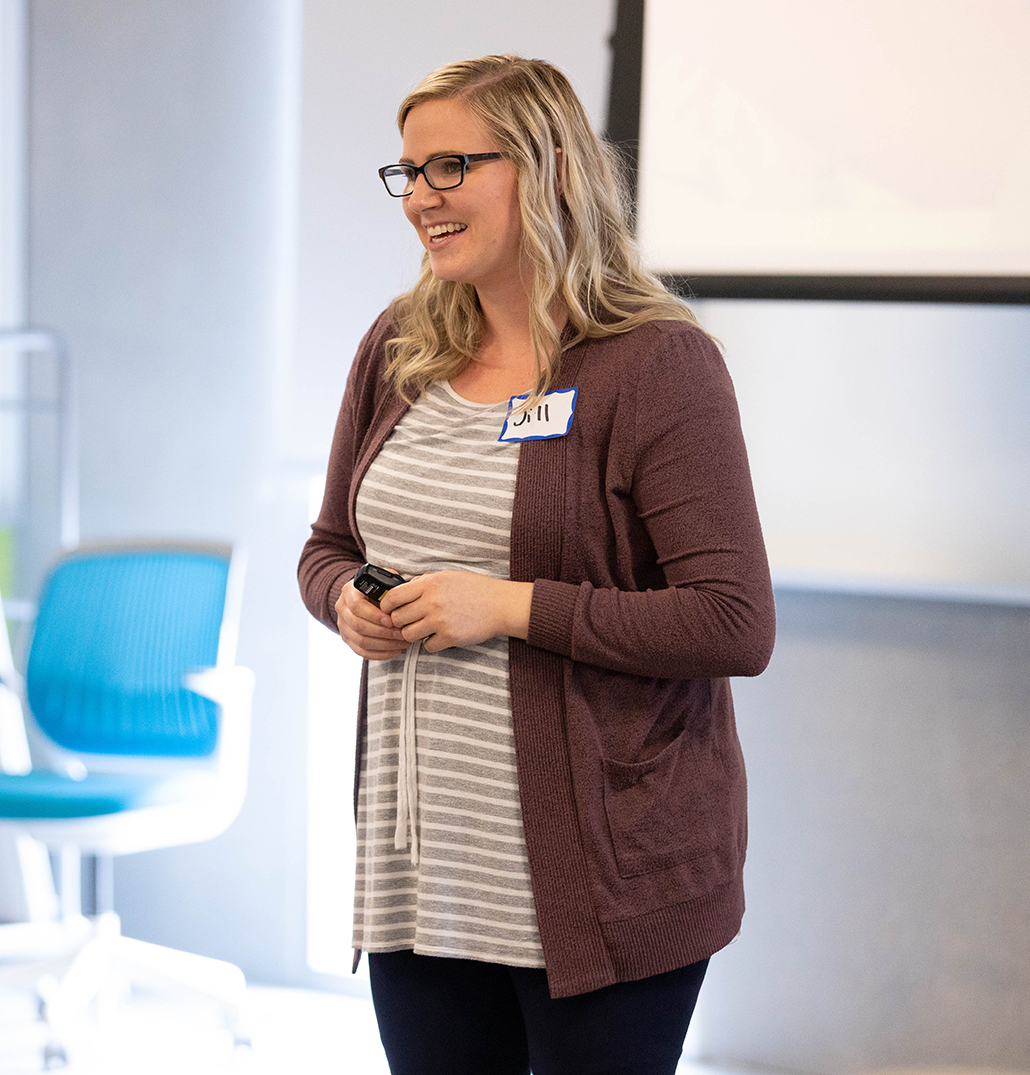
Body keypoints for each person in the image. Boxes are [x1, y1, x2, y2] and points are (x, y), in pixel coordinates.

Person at [296, 55, 775, 1075]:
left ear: (549, 166)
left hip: (600, 878)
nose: (420, 198)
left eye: (450, 168)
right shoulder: (397, 346)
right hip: (419, 878)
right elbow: (327, 545)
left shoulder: (655, 365)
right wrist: (345, 601)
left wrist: (507, 606)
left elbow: (731, 621)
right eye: (408, 173)